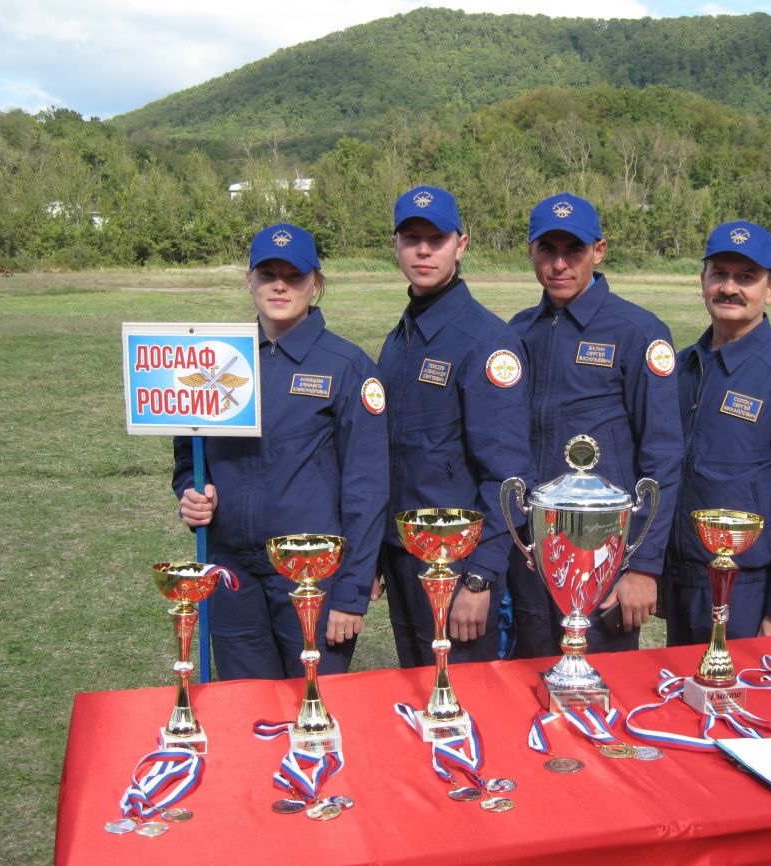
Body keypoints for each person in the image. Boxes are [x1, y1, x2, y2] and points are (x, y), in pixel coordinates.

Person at [173, 223, 389, 680]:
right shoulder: (215, 359)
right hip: (231, 571)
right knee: (244, 708)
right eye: (268, 273)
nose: (279, 285)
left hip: (309, 574)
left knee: (315, 709)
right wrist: (192, 494)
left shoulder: (346, 366)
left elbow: (367, 489)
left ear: (316, 284)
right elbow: (188, 457)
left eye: (293, 276)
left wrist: (350, 595)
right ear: (248, 281)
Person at [507, 193, 683, 658]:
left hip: (603, 560)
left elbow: (663, 456)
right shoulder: (517, 332)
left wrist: (643, 567)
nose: (559, 264)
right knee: (529, 686)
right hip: (534, 552)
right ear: (530, 251)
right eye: (548, 249)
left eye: (574, 250)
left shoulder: (638, 331)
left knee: (603, 701)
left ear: (599, 251)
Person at [376, 184, 535, 667]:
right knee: (417, 691)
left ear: (461, 244)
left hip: (458, 565)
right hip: (404, 555)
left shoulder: (485, 341)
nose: (423, 250)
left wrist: (481, 577)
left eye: (437, 239)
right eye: (411, 238)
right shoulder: (400, 338)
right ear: (397, 245)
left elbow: (507, 477)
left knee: (463, 704)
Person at [664, 220, 771, 643]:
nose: (729, 288)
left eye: (746, 278)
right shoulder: (680, 369)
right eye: (719, 274)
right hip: (681, 581)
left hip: (747, 591)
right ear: (702, 280)